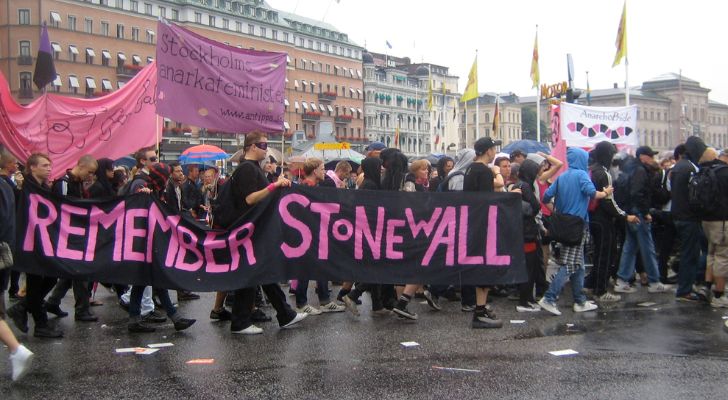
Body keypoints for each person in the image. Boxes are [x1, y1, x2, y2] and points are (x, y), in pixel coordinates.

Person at [227, 132, 307, 334]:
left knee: (261, 271)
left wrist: (276, 184)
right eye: (263, 144)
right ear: (252, 147)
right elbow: (250, 199)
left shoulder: (253, 169)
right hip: (248, 228)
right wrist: (274, 185)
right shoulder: (246, 169)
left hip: (255, 227)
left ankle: (283, 314)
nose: (266, 148)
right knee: (255, 272)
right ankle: (242, 321)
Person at [538, 148, 612, 316]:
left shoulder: (562, 176)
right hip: (578, 225)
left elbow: (546, 198)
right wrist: (606, 193)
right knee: (571, 264)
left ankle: (580, 301)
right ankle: (549, 298)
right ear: (581, 159)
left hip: (563, 225)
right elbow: (592, 193)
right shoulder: (582, 175)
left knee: (578, 264)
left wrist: (557, 212)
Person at [126, 163, 196, 333]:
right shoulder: (143, 187)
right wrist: (142, 194)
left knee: (146, 280)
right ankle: (172, 317)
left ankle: (140, 318)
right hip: (143, 243)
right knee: (148, 279)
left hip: (149, 242)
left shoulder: (155, 190)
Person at [7, 154, 64, 338]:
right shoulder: (26, 189)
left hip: (42, 241)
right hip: (29, 242)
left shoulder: (43, 188)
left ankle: (22, 307)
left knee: (49, 278)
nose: (49, 168)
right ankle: (40, 324)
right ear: (32, 167)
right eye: (44, 165)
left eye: (50, 165)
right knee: (35, 281)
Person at [44, 155, 99, 323]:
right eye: (89, 172)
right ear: (81, 166)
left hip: (75, 232)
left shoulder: (77, 183)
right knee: (79, 271)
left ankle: (53, 302)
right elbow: (62, 208)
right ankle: (81, 309)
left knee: (72, 272)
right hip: (66, 234)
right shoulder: (64, 184)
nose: (90, 176)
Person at [614, 146, 672, 294]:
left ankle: (621, 280)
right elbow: (638, 193)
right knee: (647, 247)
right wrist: (645, 212)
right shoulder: (640, 171)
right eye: (650, 156)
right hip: (638, 213)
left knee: (630, 246)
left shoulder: (632, 169)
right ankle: (654, 281)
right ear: (643, 157)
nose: (653, 159)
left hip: (631, 212)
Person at [587, 141, 639, 303]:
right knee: (605, 255)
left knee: (598, 253)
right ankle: (600, 290)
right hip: (603, 219)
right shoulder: (604, 173)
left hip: (593, 217)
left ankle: (591, 283)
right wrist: (624, 216)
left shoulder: (592, 170)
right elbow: (609, 201)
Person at [294, 158, 346, 314]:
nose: (325, 172)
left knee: (320, 264)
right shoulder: (306, 187)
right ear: (315, 170)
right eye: (322, 169)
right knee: (305, 266)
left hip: (316, 232)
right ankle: (302, 303)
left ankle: (324, 300)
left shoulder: (313, 187)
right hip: (308, 233)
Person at [464, 137, 505, 328]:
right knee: (484, 265)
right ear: (488, 151)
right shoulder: (483, 171)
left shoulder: (471, 169)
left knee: (481, 264)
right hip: (483, 224)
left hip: (473, 222)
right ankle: (479, 311)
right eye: (494, 148)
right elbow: (487, 200)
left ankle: (481, 307)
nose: (495, 152)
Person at [672, 139, 708, 301]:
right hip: (690, 217)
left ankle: (685, 285)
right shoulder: (692, 168)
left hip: (677, 214)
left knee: (686, 252)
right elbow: (696, 194)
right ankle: (685, 289)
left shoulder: (678, 167)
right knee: (690, 253)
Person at [693, 145, 728, 308]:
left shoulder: (707, 170)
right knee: (723, 257)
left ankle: (706, 287)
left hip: (706, 220)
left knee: (711, 253)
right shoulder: (725, 173)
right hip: (722, 221)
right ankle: (719, 295)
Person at [512, 159, 546, 312]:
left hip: (520, 231)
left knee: (527, 266)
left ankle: (527, 298)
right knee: (529, 267)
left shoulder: (516, 185)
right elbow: (536, 206)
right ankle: (525, 301)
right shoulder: (525, 186)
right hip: (527, 232)